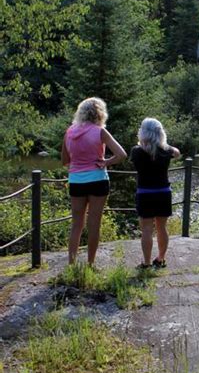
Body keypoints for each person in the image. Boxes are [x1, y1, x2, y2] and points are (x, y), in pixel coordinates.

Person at [61, 97, 126, 266]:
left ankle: (72, 264)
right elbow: (121, 154)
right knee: (94, 224)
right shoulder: (100, 131)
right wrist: (105, 162)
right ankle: (90, 264)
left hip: (76, 181)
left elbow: (64, 160)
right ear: (99, 113)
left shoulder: (70, 132)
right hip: (97, 179)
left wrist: (77, 163)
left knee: (76, 224)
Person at [130, 118, 180, 270]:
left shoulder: (137, 151)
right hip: (163, 193)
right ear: (160, 132)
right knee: (162, 228)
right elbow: (177, 153)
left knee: (146, 229)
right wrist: (163, 143)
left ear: (143, 132)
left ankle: (146, 263)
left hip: (145, 193)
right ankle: (161, 258)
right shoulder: (166, 151)